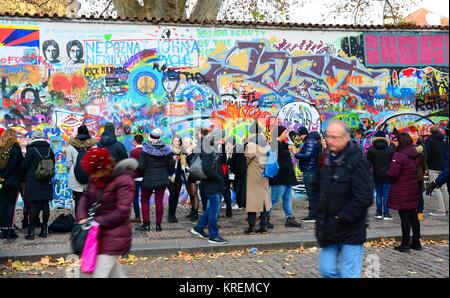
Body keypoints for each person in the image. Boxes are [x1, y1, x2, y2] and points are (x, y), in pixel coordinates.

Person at [312, 121, 373, 278]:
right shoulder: (326, 158)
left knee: (349, 273)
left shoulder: (358, 161)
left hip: (350, 229)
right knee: (327, 270)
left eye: (335, 137)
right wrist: (317, 211)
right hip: (328, 228)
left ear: (346, 137)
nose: (330, 140)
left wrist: (342, 217)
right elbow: (316, 187)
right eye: (328, 136)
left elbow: (364, 197)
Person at [76, 148, 137, 278]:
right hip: (97, 234)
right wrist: (81, 216)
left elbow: (122, 211)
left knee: (97, 274)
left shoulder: (124, 180)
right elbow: (86, 197)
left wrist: (96, 222)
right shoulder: (96, 178)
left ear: (104, 168)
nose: (91, 176)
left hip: (115, 234)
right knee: (114, 274)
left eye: (93, 173)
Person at [191, 128, 228, 244]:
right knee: (214, 210)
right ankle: (214, 235)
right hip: (211, 184)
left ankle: (198, 228)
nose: (224, 140)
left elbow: (222, 161)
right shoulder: (207, 149)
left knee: (211, 208)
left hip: (212, 183)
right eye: (222, 138)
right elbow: (207, 168)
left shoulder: (212, 147)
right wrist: (218, 177)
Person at [387, 133, 421, 252]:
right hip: (412, 188)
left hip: (402, 189)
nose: (394, 142)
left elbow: (393, 173)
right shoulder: (414, 154)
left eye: (396, 140)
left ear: (401, 142)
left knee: (404, 217)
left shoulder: (399, 155)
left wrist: (387, 172)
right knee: (413, 216)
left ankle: (405, 244)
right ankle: (416, 242)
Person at [137, 128, 174, 232]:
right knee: (159, 201)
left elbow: (141, 167)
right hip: (162, 178)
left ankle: (146, 224)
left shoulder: (145, 151)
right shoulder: (167, 150)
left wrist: (143, 174)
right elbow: (171, 165)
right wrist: (167, 173)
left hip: (148, 178)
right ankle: (158, 225)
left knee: (144, 200)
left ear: (150, 137)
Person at [21, 130, 55, 240]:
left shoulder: (31, 150)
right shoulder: (50, 149)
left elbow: (24, 166)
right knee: (45, 205)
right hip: (46, 181)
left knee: (33, 206)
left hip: (33, 181)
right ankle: (44, 230)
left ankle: (31, 232)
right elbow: (53, 163)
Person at [268, 125, 301, 229]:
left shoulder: (283, 144)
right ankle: (265, 218)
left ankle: (289, 218)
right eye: (285, 133)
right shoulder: (273, 144)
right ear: (279, 134)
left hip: (287, 177)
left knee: (287, 198)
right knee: (274, 199)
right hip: (279, 178)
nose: (287, 134)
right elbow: (272, 162)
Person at [243, 123, 272, 234]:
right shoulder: (266, 144)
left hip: (254, 175)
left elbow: (247, 158)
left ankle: (251, 227)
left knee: (252, 200)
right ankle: (263, 225)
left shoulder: (251, 145)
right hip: (264, 175)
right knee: (264, 199)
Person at [65, 125, 97, 219]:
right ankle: (89, 221)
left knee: (78, 200)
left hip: (75, 179)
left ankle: (79, 221)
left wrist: (73, 171)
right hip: (90, 178)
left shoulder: (71, 146)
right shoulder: (94, 145)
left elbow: (68, 164)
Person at [0, 129, 24, 240]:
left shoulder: (1, 147)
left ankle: (2, 230)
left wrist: (2, 177)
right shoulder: (15, 147)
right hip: (12, 181)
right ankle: (9, 230)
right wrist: (6, 176)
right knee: (10, 205)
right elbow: (15, 164)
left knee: (2, 204)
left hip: (1, 181)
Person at [295, 126, 321, 223]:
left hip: (310, 170)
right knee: (313, 193)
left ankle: (313, 215)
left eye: (299, 135)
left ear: (302, 134)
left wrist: (296, 154)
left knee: (311, 194)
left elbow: (307, 155)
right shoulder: (312, 140)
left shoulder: (309, 141)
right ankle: (315, 214)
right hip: (312, 169)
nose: (299, 138)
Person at [366, 130, 394, 220]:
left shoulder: (371, 149)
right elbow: (393, 162)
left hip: (376, 173)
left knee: (378, 193)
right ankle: (386, 213)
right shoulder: (390, 149)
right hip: (387, 174)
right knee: (386, 193)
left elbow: (368, 163)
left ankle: (378, 213)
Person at [425, 125, 448, 216]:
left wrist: (427, 163)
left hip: (433, 166)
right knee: (444, 188)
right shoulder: (444, 139)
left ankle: (441, 209)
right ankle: (447, 208)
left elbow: (428, 153)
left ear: (431, 131)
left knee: (435, 187)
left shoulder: (429, 140)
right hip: (443, 166)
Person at [168, 135, 188, 223]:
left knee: (176, 195)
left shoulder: (182, 152)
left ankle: (172, 215)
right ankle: (170, 214)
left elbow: (184, 165)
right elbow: (166, 164)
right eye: (176, 141)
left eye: (179, 141)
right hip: (170, 176)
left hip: (179, 176)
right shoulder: (169, 152)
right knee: (172, 194)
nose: (177, 143)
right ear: (172, 142)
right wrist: (172, 160)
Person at [184, 137, 201, 221]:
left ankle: (195, 213)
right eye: (184, 142)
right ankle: (192, 211)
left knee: (194, 193)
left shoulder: (195, 151)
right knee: (190, 194)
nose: (185, 143)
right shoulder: (183, 152)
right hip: (187, 175)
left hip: (195, 175)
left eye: (187, 141)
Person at [130, 134, 144, 224]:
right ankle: (146, 216)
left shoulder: (133, 152)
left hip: (135, 178)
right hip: (145, 177)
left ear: (135, 141)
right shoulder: (146, 151)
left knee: (135, 198)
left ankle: (138, 217)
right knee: (144, 198)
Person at [416, 138, 427, 221]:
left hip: (409, 176)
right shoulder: (421, 153)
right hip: (419, 176)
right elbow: (424, 166)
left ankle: (412, 212)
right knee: (420, 195)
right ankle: (420, 213)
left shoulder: (405, 153)